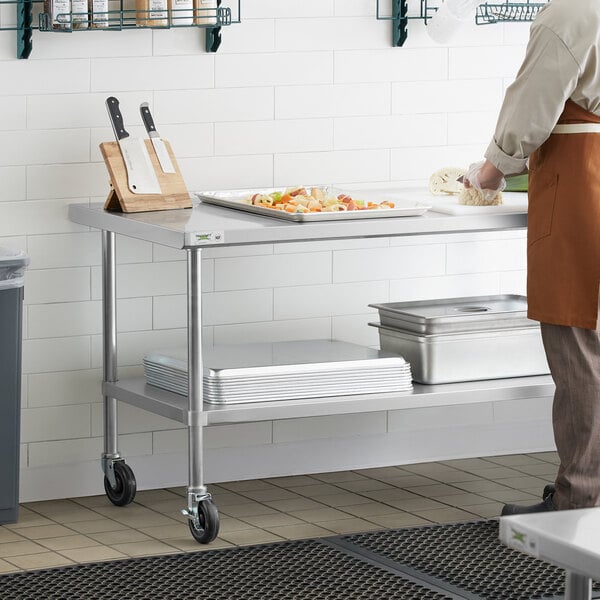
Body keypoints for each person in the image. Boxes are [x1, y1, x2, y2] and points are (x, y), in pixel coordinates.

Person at [463, 0, 600, 515]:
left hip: (584, 180)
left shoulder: (570, 12)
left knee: (580, 345)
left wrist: (491, 170)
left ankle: (580, 500)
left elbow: (532, 107)